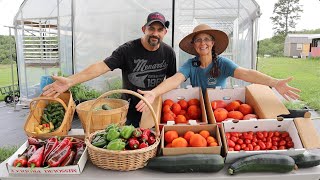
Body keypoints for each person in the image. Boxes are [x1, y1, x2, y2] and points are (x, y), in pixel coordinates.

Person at [42, 12, 177, 127]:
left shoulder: (168, 53)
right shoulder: (128, 50)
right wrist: (70, 81)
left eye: (160, 30)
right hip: (130, 108)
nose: (155, 33)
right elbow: (101, 67)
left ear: (165, 32)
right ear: (144, 29)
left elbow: (172, 82)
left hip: (155, 108)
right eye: (151, 28)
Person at [136, 24, 301, 112]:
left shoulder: (222, 64)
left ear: (212, 43)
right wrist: (154, 92)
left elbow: (246, 74)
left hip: (220, 109)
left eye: (206, 39)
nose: (203, 43)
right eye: (198, 40)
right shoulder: (191, 64)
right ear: (193, 45)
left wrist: (274, 82)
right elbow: (175, 79)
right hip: (198, 108)